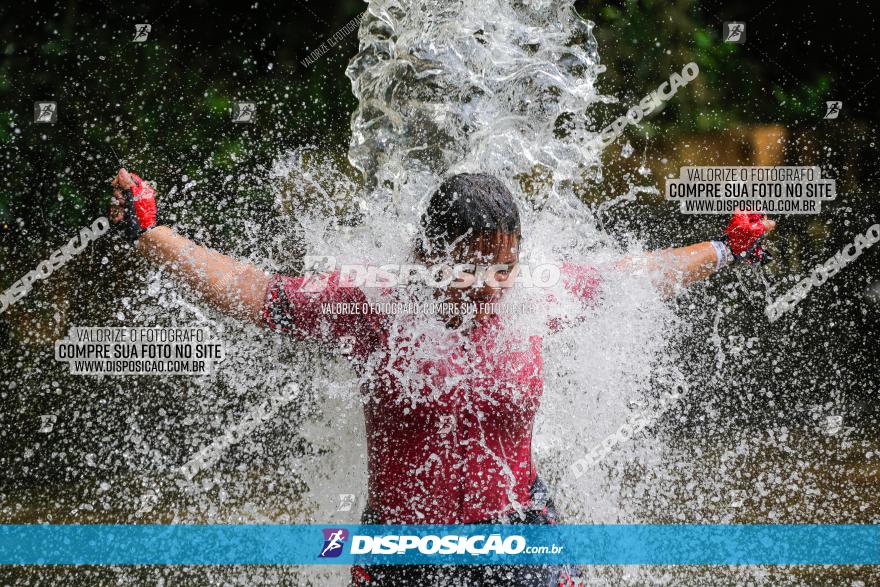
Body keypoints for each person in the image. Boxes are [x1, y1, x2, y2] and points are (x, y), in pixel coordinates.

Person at [110, 169, 774, 586]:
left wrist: (723, 248)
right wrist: (150, 233)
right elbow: (261, 293)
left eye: (504, 267)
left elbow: (630, 277)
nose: (489, 285)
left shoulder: (536, 298)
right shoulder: (372, 305)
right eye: (468, 265)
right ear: (425, 252)